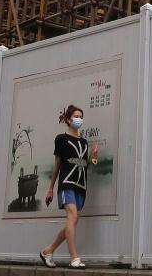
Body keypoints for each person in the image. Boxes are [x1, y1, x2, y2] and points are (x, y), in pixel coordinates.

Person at [39, 104, 98, 268]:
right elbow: (57, 164)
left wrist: (94, 154)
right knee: (72, 216)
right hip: (66, 183)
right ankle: (74, 258)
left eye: (81, 117)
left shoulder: (84, 142)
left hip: (81, 185)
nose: (79, 119)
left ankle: (48, 251)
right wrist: (51, 189)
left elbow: (87, 165)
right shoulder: (61, 139)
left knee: (72, 221)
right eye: (76, 116)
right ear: (68, 119)